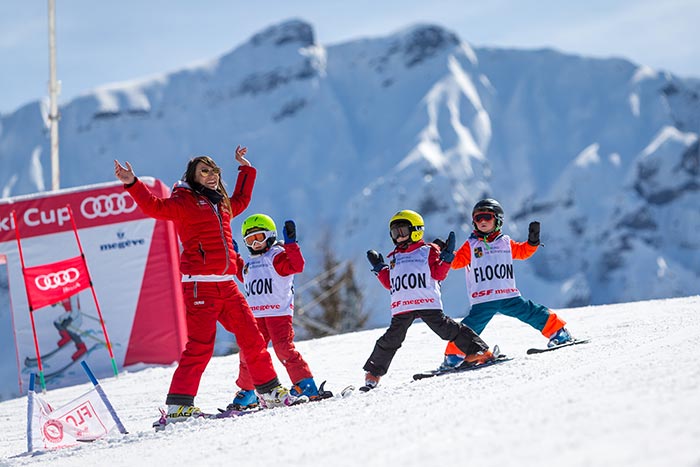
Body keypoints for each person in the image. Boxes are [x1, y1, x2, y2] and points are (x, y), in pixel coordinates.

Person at [113, 146, 300, 423]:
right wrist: (132, 183)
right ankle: (179, 406)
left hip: (226, 285)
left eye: (214, 171)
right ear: (193, 175)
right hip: (200, 285)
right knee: (200, 346)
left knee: (252, 338)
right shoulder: (184, 202)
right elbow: (154, 207)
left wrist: (246, 169)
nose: (211, 176)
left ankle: (269, 391)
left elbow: (242, 200)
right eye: (205, 171)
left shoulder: (221, 203)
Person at [362, 209, 494, 389]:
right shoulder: (394, 257)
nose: (399, 237)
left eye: (402, 231)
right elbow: (390, 283)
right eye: (395, 233)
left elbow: (438, 274)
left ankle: (479, 351)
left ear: (416, 230)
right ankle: (373, 373)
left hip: (426, 301)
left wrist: (447, 258)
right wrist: (379, 268)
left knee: (447, 329)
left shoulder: (428, 251)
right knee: (392, 338)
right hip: (402, 306)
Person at [438, 198, 573, 370]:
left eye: (487, 216)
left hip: (508, 295)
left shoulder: (505, 242)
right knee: (469, 327)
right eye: (478, 218)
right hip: (484, 298)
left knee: (532, 312)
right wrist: (447, 255)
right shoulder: (471, 245)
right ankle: (453, 357)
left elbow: (522, 252)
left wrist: (532, 243)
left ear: (498, 219)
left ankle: (559, 334)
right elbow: (457, 262)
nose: (483, 221)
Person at [230, 214, 320, 410]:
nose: (255, 244)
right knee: (249, 353)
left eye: (259, 238)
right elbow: (242, 275)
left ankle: (305, 384)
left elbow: (296, 266)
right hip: (257, 316)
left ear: (270, 236)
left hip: (278, 313)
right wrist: (234, 255)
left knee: (283, 349)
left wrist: (291, 245)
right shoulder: (251, 263)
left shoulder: (276, 256)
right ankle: (248, 392)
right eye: (250, 240)